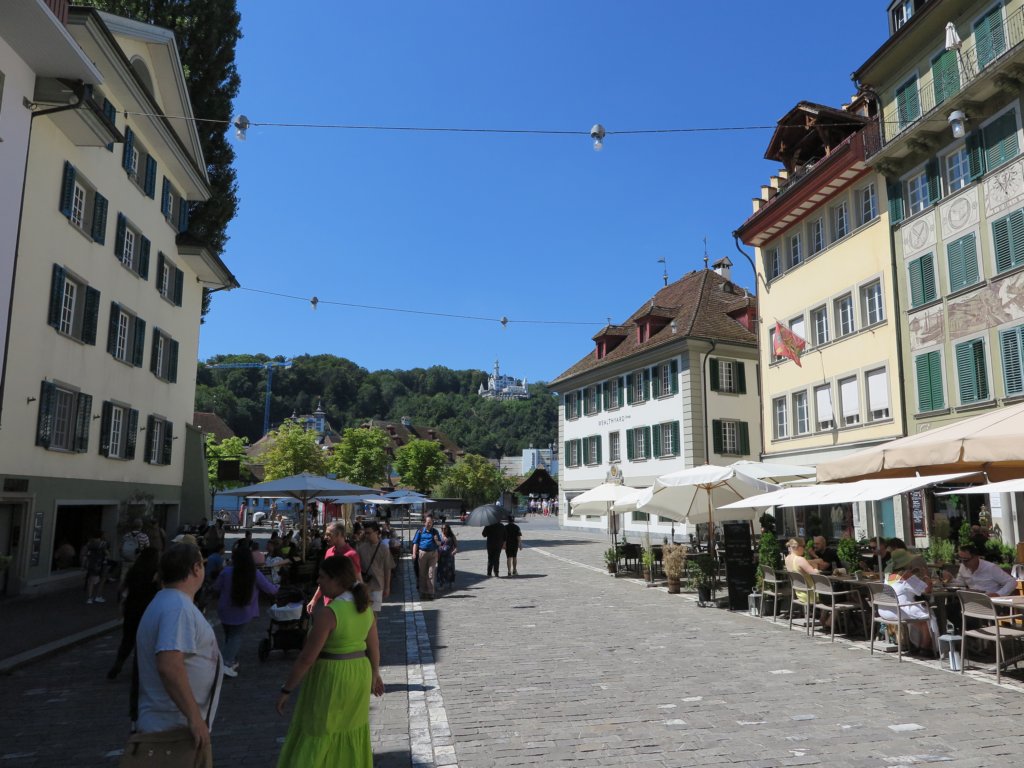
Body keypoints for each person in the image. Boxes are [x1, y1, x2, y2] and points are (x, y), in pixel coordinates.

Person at [276, 555, 385, 767]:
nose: (318, 581)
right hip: (359, 674)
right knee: (350, 728)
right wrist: (375, 674)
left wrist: (287, 689)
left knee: (320, 728)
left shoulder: (329, 613)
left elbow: (306, 658)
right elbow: (374, 647)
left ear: (337, 580)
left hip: (332, 676)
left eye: (322, 577)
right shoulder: (365, 608)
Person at [135, 543, 222, 762]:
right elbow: (169, 665)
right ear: (196, 568)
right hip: (173, 732)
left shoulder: (168, 602)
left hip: (172, 727)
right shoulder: (177, 607)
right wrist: (194, 717)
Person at [214, 541, 278, 677]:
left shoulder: (226, 572)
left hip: (225, 610)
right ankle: (226, 663)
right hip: (242, 611)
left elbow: (216, 588)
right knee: (235, 637)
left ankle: (230, 660)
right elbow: (269, 589)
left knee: (229, 636)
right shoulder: (253, 573)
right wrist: (278, 587)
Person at [107, 547, 161, 679]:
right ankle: (138, 669)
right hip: (148, 608)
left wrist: (122, 602)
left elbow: (122, 587)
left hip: (132, 607)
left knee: (128, 638)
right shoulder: (155, 572)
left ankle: (119, 662)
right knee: (145, 640)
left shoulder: (134, 570)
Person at [879, 550, 938, 655]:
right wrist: (926, 575)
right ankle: (926, 646)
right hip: (899, 610)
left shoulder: (889, 576)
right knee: (928, 614)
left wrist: (913, 573)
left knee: (919, 616)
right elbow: (927, 590)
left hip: (885, 610)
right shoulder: (906, 576)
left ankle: (916, 644)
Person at [307, 522, 363, 613]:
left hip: (344, 603)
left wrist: (363, 602)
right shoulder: (329, 552)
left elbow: (358, 580)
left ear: (339, 534)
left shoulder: (351, 555)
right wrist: (314, 599)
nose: (325, 537)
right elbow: (324, 578)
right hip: (329, 602)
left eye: (329, 534)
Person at [355, 521, 394, 613]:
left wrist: (387, 587)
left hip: (377, 586)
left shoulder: (384, 548)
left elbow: (387, 569)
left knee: (374, 614)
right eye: (365, 533)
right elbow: (356, 567)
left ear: (376, 532)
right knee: (363, 613)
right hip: (363, 586)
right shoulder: (361, 548)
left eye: (369, 533)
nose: (367, 535)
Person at [411, 516, 443, 599]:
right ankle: (423, 591)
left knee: (431, 573)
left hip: (433, 554)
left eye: (430, 522)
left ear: (432, 523)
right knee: (422, 573)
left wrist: (436, 540)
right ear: (424, 523)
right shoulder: (420, 531)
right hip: (422, 554)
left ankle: (431, 592)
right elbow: (415, 543)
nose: (429, 524)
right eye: (427, 522)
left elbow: (440, 544)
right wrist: (414, 554)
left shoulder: (435, 532)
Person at [83, 531, 109, 604]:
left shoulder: (89, 543)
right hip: (102, 563)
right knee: (102, 579)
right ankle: (98, 596)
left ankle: (89, 598)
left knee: (91, 580)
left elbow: (85, 553)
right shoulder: (103, 543)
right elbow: (107, 553)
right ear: (101, 536)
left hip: (92, 563)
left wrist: (83, 564)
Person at [437, 524, 458, 591]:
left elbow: (456, 546)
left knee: (450, 570)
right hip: (441, 556)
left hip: (449, 556)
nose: (443, 530)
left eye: (445, 528)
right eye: (442, 528)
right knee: (441, 570)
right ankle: (442, 584)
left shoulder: (451, 536)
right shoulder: (439, 536)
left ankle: (451, 582)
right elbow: (437, 544)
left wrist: (455, 551)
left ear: (448, 529)